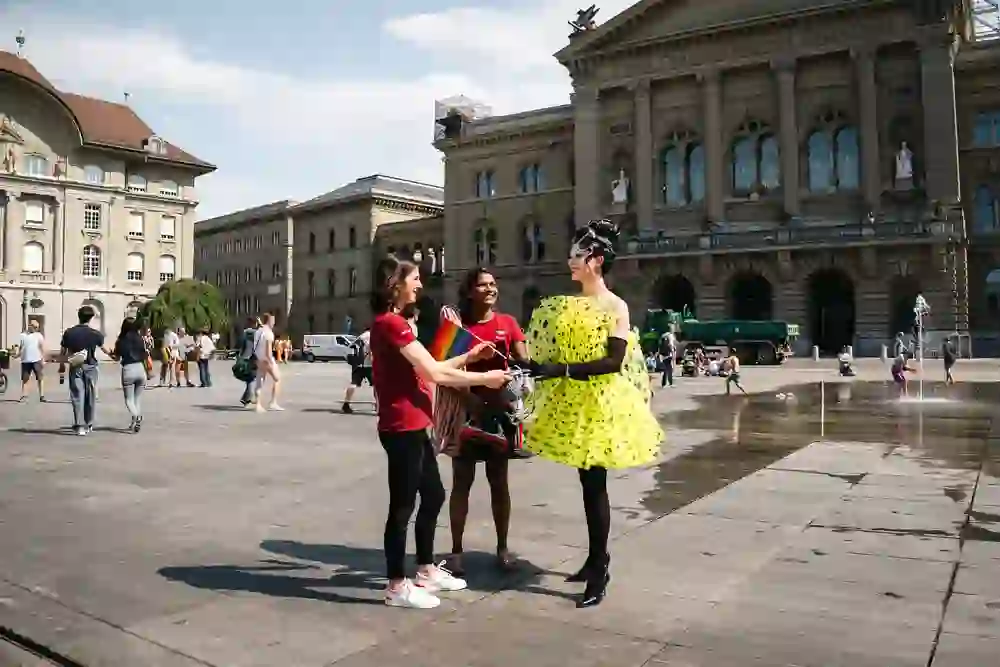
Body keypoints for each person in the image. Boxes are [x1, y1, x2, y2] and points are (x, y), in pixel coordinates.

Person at [523, 219, 663, 608]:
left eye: (577, 255)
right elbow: (547, 349)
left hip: (600, 403)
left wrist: (560, 371)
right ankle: (593, 558)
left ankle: (600, 566)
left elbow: (614, 361)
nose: (571, 261)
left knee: (595, 485)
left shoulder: (615, 305)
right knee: (588, 485)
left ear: (596, 260)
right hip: (572, 401)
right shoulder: (565, 305)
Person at [370, 254, 511, 610]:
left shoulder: (398, 324)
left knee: (432, 496)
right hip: (400, 426)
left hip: (417, 424)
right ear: (396, 284)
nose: (420, 284)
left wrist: (468, 357)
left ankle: (426, 569)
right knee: (402, 507)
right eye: (414, 279)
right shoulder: (391, 324)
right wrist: (485, 378)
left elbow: (430, 367)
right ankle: (396, 585)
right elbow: (434, 374)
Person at [439, 268, 530, 578]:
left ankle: (503, 548)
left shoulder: (508, 323)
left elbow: (523, 362)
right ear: (469, 291)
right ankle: (455, 553)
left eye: (493, 284)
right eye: (483, 285)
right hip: (466, 414)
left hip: (499, 417)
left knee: (499, 485)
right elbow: (444, 371)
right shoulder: (458, 326)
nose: (490, 289)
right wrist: (469, 400)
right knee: (461, 485)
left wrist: (521, 359)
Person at [60, 306, 112, 436]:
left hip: (75, 365)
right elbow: (105, 350)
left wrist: (61, 366)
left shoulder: (69, 332)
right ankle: (88, 423)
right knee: (90, 395)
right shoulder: (96, 334)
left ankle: (79, 426)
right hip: (91, 366)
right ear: (91, 318)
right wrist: (115, 354)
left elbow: (63, 352)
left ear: (79, 316)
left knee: (77, 395)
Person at [113, 317, 151, 432]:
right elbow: (145, 355)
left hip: (128, 369)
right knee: (137, 399)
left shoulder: (120, 341)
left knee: (129, 400)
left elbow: (117, 357)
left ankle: (136, 416)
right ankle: (134, 423)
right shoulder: (140, 339)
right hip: (140, 368)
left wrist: (110, 354)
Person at [253, 313, 283, 411]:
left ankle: (258, 405)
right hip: (267, 359)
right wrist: (270, 361)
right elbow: (268, 349)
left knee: (259, 381)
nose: (273, 323)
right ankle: (273, 402)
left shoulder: (258, 331)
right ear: (269, 321)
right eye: (273, 321)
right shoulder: (269, 333)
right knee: (277, 378)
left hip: (258, 358)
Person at [341, 329, 372, 414]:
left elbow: (350, 348)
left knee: (353, 383)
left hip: (357, 364)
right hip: (369, 365)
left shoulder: (360, 337)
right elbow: (371, 350)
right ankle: (379, 405)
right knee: (377, 386)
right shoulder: (371, 336)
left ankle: (346, 403)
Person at [16, 320, 46, 402]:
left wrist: (43, 359)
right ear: (29, 325)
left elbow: (42, 348)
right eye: (33, 326)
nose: (35, 328)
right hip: (26, 360)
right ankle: (24, 395)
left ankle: (42, 396)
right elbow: (21, 348)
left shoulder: (39, 336)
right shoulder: (23, 335)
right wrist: (17, 355)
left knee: (40, 378)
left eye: (36, 327)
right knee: (25, 378)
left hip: (37, 359)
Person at [239, 318, 259, 406]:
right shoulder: (257, 333)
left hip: (245, 357)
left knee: (249, 378)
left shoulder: (245, 332)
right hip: (254, 357)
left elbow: (242, 344)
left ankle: (246, 398)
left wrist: (241, 355)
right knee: (252, 378)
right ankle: (247, 397)